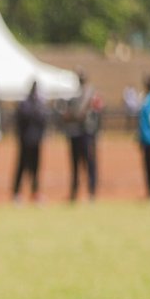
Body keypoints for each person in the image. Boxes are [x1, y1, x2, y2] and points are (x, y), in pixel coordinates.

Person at [61, 69, 100, 203]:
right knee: (75, 164)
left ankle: (91, 191)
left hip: (87, 133)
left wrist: (74, 115)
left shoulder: (90, 93)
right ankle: (74, 191)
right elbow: (68, 115)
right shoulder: (74, 95)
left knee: (89, 163)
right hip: (75, 133)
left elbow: (83, 114)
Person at [12, 81, 48, 204]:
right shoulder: (25, 104)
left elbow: (43, 121)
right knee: (21, 167)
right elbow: (20, 120)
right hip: (25, 141)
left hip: (36, 141)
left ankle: (35, 192)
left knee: (35, 169)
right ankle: (17, 192)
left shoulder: (39, 104)